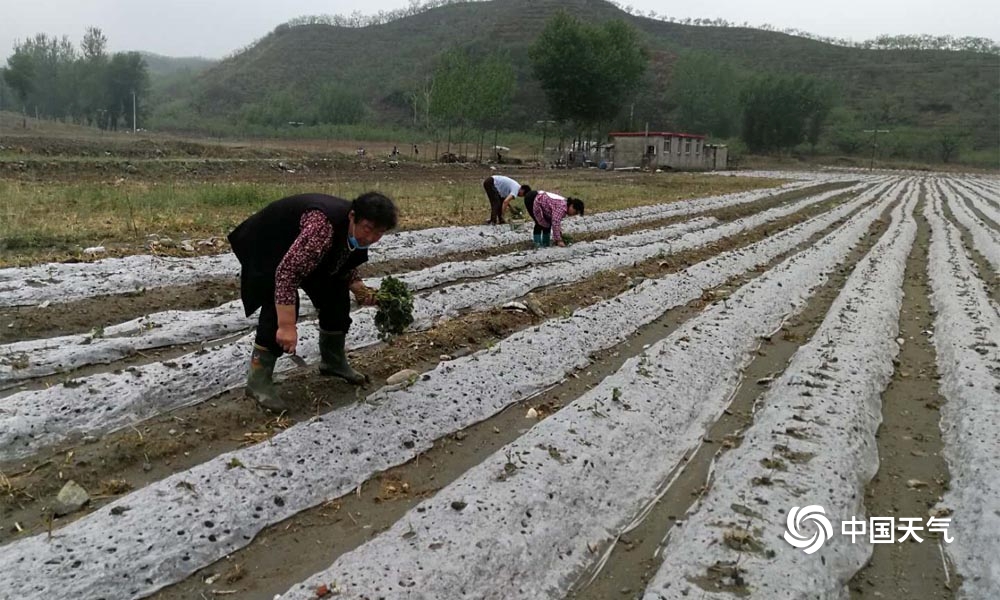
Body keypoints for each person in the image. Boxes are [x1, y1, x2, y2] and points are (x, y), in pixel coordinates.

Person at [228, 192, 399, 411]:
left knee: (336, 295)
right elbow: (287, 273)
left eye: (380, 232)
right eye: (368, 228)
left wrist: (359, 288)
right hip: (268, 244)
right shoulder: (322, 227)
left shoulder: (348, 231)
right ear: (353, 216)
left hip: (300, 250)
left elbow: (340, 257)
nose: (371, 237)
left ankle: (333, 362)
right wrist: (287, 326)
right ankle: (257, 381)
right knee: (279, 303)